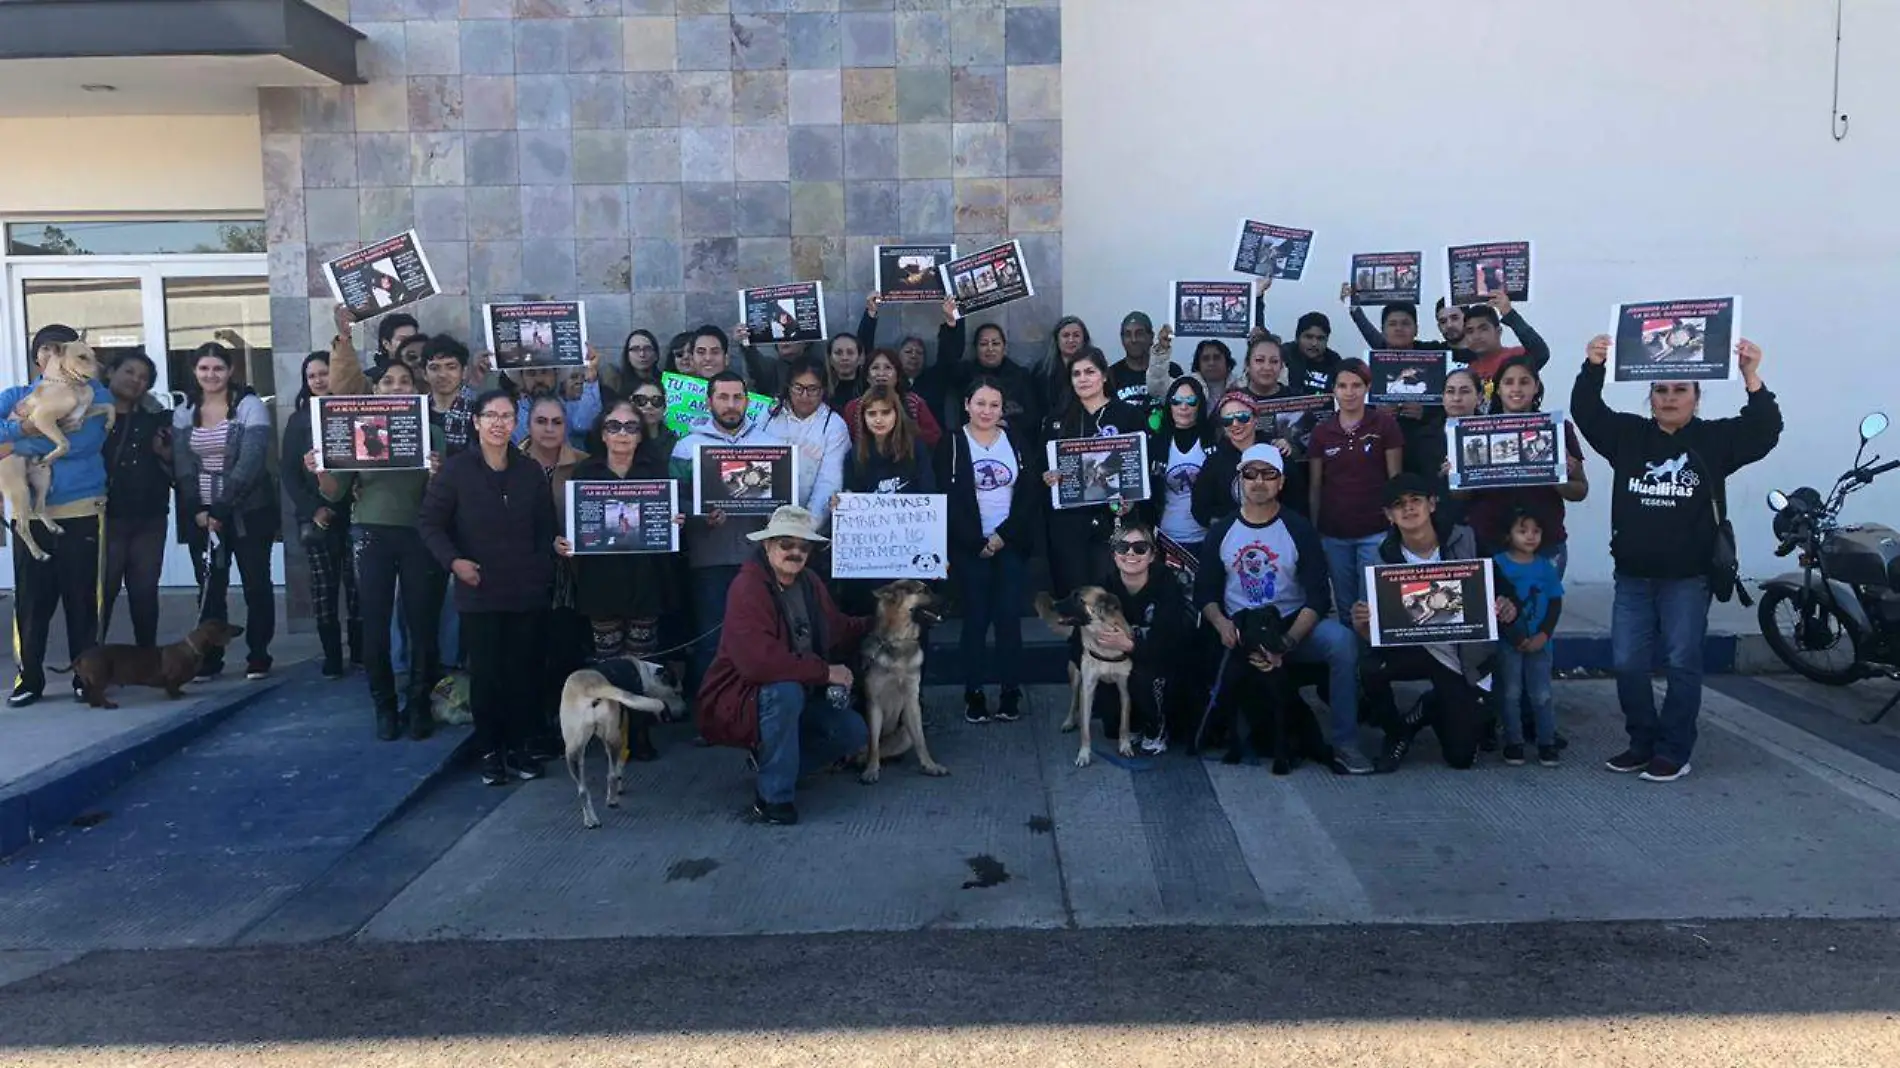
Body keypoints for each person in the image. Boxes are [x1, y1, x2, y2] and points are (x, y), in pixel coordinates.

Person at [1572, 334, 1781, 783]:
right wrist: (1593, 366)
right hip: (1632, 577)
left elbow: (1765, 431)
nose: (1669, 398)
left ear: (1696, 397)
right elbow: (1587, 412)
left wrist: (1750, 375)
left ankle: (1674, 750)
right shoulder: (1628, 435)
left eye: (1680, 390)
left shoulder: (1714, 440)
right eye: (1661, 390)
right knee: (1627, 662)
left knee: (1682, 663)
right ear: (1650, 396)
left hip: (1688, 578)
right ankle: (1641, 743)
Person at [1196, 443, 1372, 775]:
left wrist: (1286, 644)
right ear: (1239, 481)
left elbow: (1318, 597)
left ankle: (1346, 744)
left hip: (1292, 626)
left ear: (1281, 482)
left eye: (1268, 474)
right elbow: (1205, 593)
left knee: (1343, 642)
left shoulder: (1298, 528)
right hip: (1241, 630)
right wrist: (1221, 625)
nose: (1258, 481)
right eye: (1250, 474)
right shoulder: (1222, 531)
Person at [694, 505, 871, 826]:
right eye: (785, 544)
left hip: (801, 691)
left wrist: (880, 621)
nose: (795, 552)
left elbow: (836, 628)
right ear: (767, 545)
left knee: (852, 731)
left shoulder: (810, 582)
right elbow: (758, 664)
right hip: (741, 697)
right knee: (785, 691)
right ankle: (773, 799)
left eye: (803, 546)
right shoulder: (747, 587)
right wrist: (826, 672)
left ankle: (774, 764)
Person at [418, 389, 556, 786]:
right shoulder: (457, 471)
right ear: (476, 422)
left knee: (524, 674)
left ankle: (520, 746)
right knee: (488, 676)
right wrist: (454, 562)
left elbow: (545, 527)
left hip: (526, 591)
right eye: (491, 415)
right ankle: (491, 751)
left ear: (516, 423)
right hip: (479, 590)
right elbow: (429, 524)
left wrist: (543, 564)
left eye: (507, 416)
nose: (499, 423)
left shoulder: (529, 471)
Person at [311, 360, 444, 740]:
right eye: (388, 381)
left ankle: (419, 705)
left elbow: (442, 498)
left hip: (420, 534)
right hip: (370, 534)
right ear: (375, 390)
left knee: (423, 624)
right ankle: (384, 706)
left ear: (416, 391)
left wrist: (438, 473)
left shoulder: (432, 432)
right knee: (375, 624)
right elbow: (333, 492)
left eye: (405, 381)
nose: (397, 387)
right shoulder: (358, 429)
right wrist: (319, 467)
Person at [1349, 472, 1513, 773]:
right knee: (1371, 668)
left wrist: (1505, 604)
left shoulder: (1467, 538)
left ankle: (1428, 707)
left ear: (1432, 504)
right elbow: (1374, 629)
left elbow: (1501, 588)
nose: (1409, 509)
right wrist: (1362, 624)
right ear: (1389, 515)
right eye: (1399, 504)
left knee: (1461, 758)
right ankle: (1396, 733)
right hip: (1412, 648)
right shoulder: (1380, 557)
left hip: (1459, 651)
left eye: (1416, 501)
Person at [553, 398, 682, 753]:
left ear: (641, 435)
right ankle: (613, 736)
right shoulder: (586, 474)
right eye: (614, 426)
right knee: (609, 666)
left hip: (645, 582)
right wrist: (564, 543)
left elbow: (669, 526)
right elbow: (574, 528)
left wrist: (674, 520)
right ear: (602, 434)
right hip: (601, 585)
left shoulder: (656, 472)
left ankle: (639, 733)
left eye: (630, 426)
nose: (622, 433)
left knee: (642, 665)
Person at [0, 327, 111, 705]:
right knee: (31, 601)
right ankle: (29, 679)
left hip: (81, 507)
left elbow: (84, 443)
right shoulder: (16, 396)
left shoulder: (95, 394)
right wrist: (28, 427)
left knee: (83, 599)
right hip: (30, 515)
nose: (54, 357)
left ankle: (87, 675)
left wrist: (14, 439)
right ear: (39, 357)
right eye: (46, 351)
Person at [939, 377, 1042, 725]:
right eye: (980, 403)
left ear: (1002, 409)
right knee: (975, 620)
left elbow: (1029, 494)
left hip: (1009, 543)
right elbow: (947, 500)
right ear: (967, 404)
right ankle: (974, 692)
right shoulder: (952, 443)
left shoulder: (1014, 440)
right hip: (970, 548)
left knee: (1009, 618)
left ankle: (1011, 691)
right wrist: (975, 542)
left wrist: (1002, 536)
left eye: (994, 405)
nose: (986, 411)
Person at [671, 371, 783, 692]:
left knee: (760, 636)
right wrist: (700, 515)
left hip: (759, 559)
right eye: (723, 397)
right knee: (711, 640)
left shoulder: (769, 444)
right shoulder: (686, 446)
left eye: (737, 398)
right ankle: (711, 716)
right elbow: (675, 500)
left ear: (747, 401)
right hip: (710, 559)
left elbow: (784, 501)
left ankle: (754, 711)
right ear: (709, 401)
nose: (730, 405)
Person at [173, 341, 277, 680]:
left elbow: (251, 459)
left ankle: (259, 653)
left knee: (256, 585)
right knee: (210, 587)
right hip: (202, 515)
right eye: (204, 368)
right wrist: (199, 510)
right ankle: (210, 657)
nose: (211, 374)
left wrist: (222, 506)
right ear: (194, 372)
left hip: (249, 512)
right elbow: (183, 465)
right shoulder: (185, 410)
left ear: (230, 371)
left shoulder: (249, 406)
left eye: (218, 368)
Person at [1068, 517, 1191, 755]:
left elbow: (1171, 644)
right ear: (1114, 555)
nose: (1131, 554)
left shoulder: (1167, 586)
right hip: (1113, 664)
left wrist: (1129, 645)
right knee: (1111, 727)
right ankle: (1132, 722)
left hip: (1161, 665)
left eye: (1140, 548)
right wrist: (1093, 650)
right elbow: (1075, 642)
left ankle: (1157, 726)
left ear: (1152, 555)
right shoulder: (1103, 589)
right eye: (1123, 548)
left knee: (1143, 676)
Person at [1039, 348, 1148, 598]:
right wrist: (1047, 477)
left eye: (1090, 372)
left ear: (1104, 376)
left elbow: (1140, 468)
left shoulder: (1128, 415)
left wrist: (1131, 500)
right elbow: (1041, 466)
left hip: (1115, 520)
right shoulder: (1058, 418)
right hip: (1069, 524)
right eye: (1076, 374)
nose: (1083, 379)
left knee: (1112, 592)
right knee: (1076, 596)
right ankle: (1078, 639)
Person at [1462, 356, 1588, 569]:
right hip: (1489, 541)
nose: (1516, 389)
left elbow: (1580, 490)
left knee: (1543, 604)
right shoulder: (1476, 431)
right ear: (1498, 388)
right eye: (1508, 382)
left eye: (1524, 381)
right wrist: (1458, 473)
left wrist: (1555, 474)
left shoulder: (1558, 429)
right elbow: (1460, 496)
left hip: (1545, 543)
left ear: (1536, 387)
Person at [281, 351, 361, 677]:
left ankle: (359, 652)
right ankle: (331, 657)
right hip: (316, 516)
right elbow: (288, 472)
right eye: (312, 375)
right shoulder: (298, 420)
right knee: (324, 588)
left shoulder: (353, 412)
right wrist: (313, 509)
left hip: (353, 512)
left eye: (324, 373)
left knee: (356, 587)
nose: (318, 380)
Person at [1308, 359, 1404, 619]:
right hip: (1334, 534)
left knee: (1372, 608)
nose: (1349, 392)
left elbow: (1395, 480)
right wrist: (1316, 530)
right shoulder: (1321, 432)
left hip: (1376, 532)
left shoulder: (1385, 425)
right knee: (1345, 608)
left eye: (1356, 385)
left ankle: (1371, 659)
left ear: (1367, 388)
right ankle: (1352, 659)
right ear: (1333, 391)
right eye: (1342, 386)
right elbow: (1316, 486)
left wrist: (1396, 528)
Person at [98, 351, 173, 650]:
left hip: (149, 517)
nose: (135, 381)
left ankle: (147, 660)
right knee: (104, 591)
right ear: (110, 372)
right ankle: (90, 667)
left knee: (144, 592)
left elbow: (174, 468)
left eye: (143, 378)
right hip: (107, 517)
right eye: (129, 372)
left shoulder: (156, 419)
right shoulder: (90, 418)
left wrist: (165, 454)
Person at [1493, 508, 1565, 767]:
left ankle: (1547, 743)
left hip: (1540, 643)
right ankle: (1514, 743)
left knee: (1542, 693)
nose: (1530, 536)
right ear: (1508, 535)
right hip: (1508, 642)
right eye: (1522, 531)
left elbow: (1556, 603)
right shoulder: (1498, 563)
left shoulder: (1546, 567)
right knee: (1510, 692)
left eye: (1536, 531)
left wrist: (1544, 635)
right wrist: (1514, 636)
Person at [763, 357, 850, 530]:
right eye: (798, 388)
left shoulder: (834, 425)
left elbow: (829, 481)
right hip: (765, 518)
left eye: (812, 389)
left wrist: (808, 526)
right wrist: (771, 521)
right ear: (789, 387)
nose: (804, 396)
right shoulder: (769, 415)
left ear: (823, 390)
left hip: (810, 524)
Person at [939, 309, 1040, 433]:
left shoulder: (1020, 376)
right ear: (976, 348)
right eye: (983, 344)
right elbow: (945, 364)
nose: (990, 348)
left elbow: (1032, 416)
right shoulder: (964, 374)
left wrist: (1007, 424)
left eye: (996, 343)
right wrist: (951, 327)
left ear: (1004, 347)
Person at [1150, 375, 1215, 555]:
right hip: (1167, 537)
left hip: (1208, 537)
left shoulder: (1214, 439)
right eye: (1177, 401)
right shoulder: (1156, 444)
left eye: (1191, 401)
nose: (1183, 407)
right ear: (1169, 405)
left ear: (1200, 404)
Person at [843, 348, 943, 448]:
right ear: (867, 377)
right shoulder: (853, 407)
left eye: (888, 368)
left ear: (897, 375)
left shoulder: (914, 403)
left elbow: (934, 436)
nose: (881, 373)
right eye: (875, 368)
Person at [1191, 392, 1262, 531]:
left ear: (1256, 418)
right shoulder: (1213, 462)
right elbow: (1200, 509)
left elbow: (1296, 502)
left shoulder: (1276, 453)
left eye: (1243, 417)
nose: (1235, 424)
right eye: (1227, 420)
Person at [1456, 293, 1549, 386]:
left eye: (1483, 328)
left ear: (1498, 331)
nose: (1476, 336)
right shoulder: (1468, 370)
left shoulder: (1516, 357)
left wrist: (1509, 313)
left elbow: (1541, 353)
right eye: (1470, 331)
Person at [1107, 311, 1181, 411]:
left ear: (1151, 337)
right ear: (1122, 339)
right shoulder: (1111, 374)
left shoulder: (1172, 370)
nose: (1133, 339)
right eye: (1128, 334)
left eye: (1139, 333)